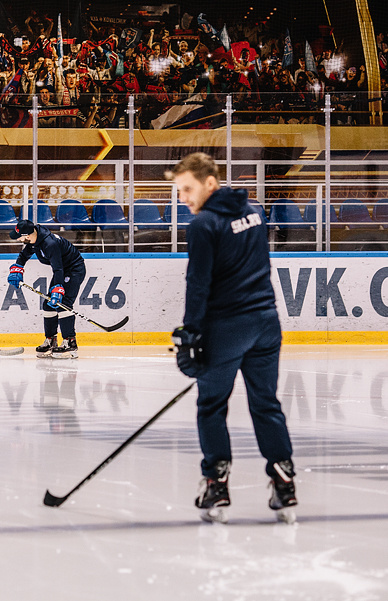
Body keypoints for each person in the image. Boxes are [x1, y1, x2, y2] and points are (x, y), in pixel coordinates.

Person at [167, 152, 297, 524]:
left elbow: (199, 283)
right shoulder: (253, 211)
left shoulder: (204, 224)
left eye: (188, 189)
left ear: (210, 183)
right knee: (265, 403)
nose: (183, 198)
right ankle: (284, 480)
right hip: (266, 323)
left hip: (228, 328)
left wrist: (191, 334)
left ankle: (215, 483)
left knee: (211, 405)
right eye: (179, 191)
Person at [7, 219, 86, 358]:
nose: (18, 239)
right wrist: (17, 269)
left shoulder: (50, 244)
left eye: (20, 236)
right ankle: (51, 340)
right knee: (48, 304)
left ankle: (70, 342)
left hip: (73, 270)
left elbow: (58, 269)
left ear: (28, 235)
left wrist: (58, 289)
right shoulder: (35, 238)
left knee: (63, 304)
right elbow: (24, 255)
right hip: (62, 270)